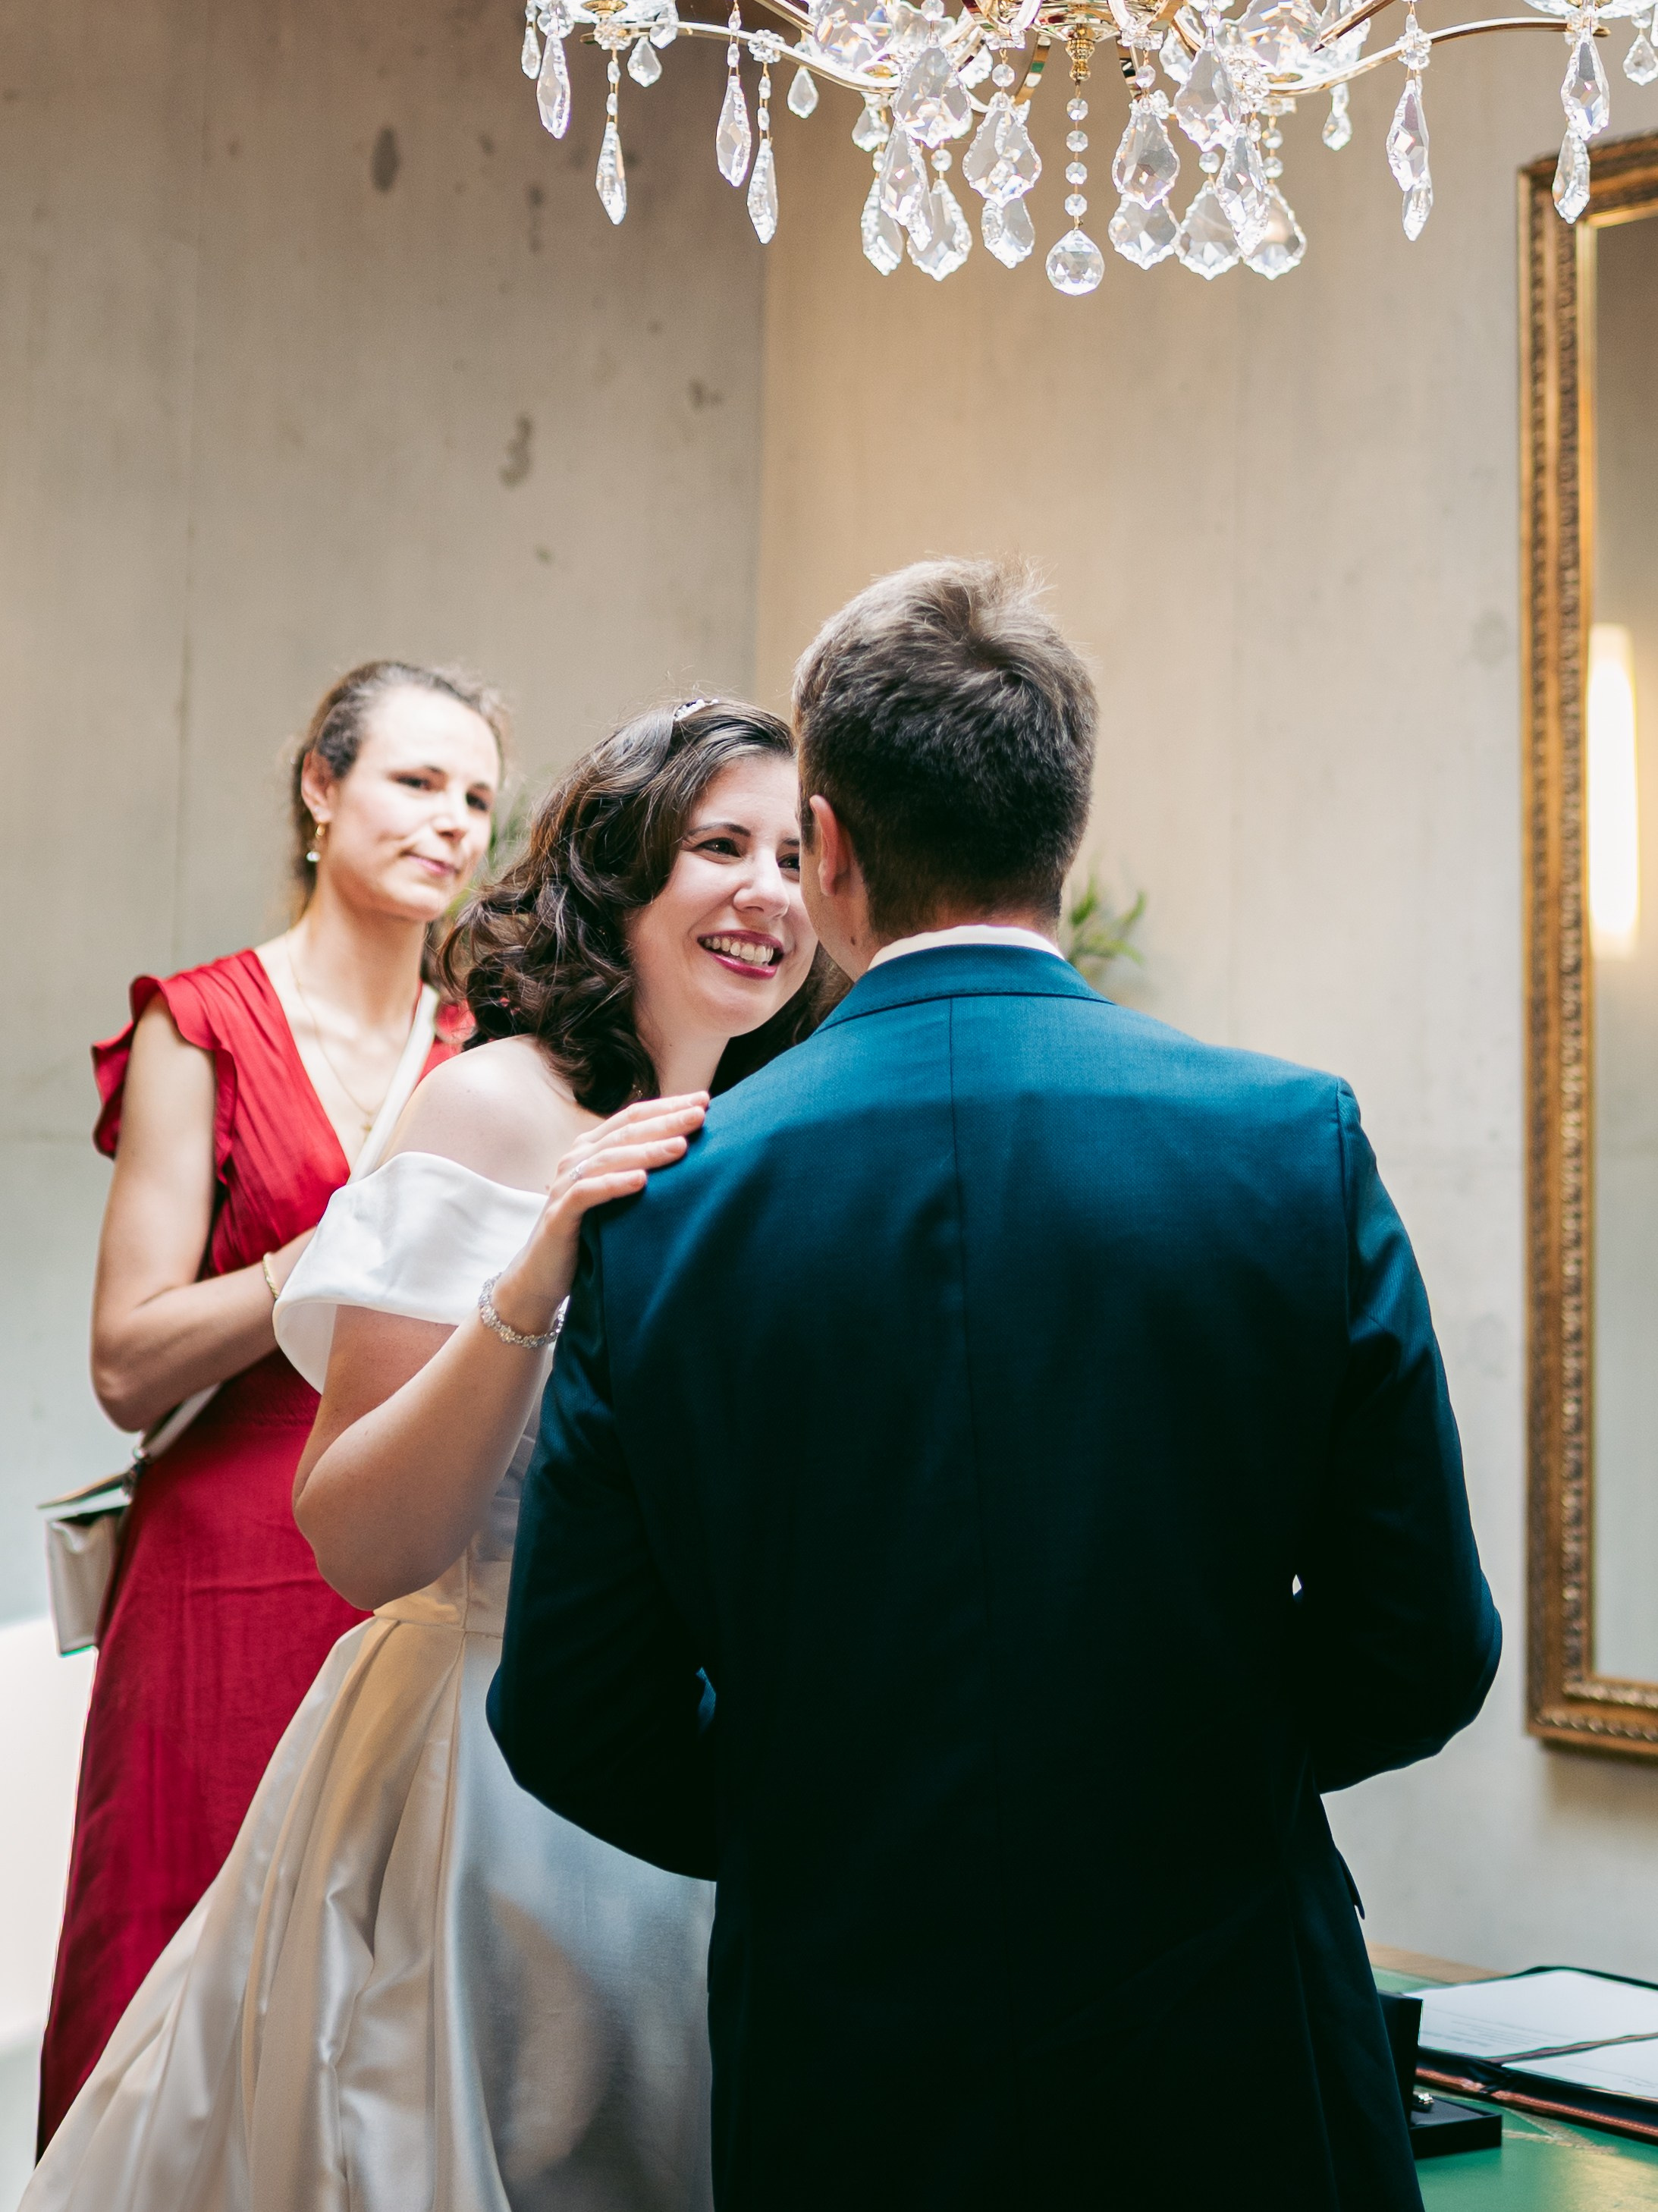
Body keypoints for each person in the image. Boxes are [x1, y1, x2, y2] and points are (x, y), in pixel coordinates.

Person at [491, 561, 1504, 2212]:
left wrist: (834, 1806)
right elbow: (1421, 1640)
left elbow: (575, 1710)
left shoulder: (665, 1203)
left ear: (823, 847)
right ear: (1067, 831)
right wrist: (1184, 1770)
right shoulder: (1286, 1145)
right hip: (1227, 2035)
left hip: (843, 2053)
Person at [24, 696, 832, 2212]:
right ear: (622, 875)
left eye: (797, 855)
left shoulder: (777, 1138)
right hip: (491, 1787)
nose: (767, 893)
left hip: (718, 1806)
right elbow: (361, 1541)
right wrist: (536, 1278)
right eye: (720, 845)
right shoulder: (492, 1107)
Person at [37, 660, 504, 2146]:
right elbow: (124, 1361)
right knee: (171, 1975)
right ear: (321, 785)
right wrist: (314, 1262)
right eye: (417, 782)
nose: (453, 825)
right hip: (223, 1570)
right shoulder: (204, 1023)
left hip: (412, 1567)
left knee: (375, 2017)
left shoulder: (484, 1050)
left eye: (481, 799)